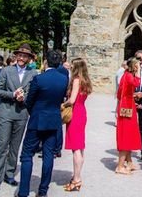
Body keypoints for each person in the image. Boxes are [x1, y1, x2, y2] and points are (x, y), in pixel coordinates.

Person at [16, 50, 69, 197]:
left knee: (27, 155)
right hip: (53, 120)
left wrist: (31, 110)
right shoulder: (64, 80)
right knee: (48, 155)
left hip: (37, 119)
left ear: (46, 61)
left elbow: (30, 101)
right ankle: (43, 191)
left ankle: (23, 191)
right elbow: (62, 99)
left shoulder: (39, 79)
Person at [0, 44, 38, 190]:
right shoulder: (6, 71)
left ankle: (9, 173)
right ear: (16, 56)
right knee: (2, 143)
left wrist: (25, 98)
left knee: (15, 145)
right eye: (20, 55)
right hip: (5, 111)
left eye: (25, 56)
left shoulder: (33, 73)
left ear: (29, 58)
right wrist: (13, 95)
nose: (22, 58)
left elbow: (33, 93)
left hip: (22, 113)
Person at [62, 58, 92, 192]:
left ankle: (77, 179)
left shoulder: (76, 80)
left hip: (75, 113)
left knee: (76, 148)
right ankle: (76, 176)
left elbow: (72, 99)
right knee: (80, 147)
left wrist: (63, 104)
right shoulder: (85, 81)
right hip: (82, 112)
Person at [115, 57, 141, 174]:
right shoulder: (129, 76)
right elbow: (136, 83)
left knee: (129, 134)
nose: (139, 66)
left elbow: (121, 93)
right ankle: (120, 166)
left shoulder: (126, 75)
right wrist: (139, 72)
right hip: (127, 108)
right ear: (134, 66)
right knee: (125, 135)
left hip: (127, 105)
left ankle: (129, 162)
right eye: (138, 65)